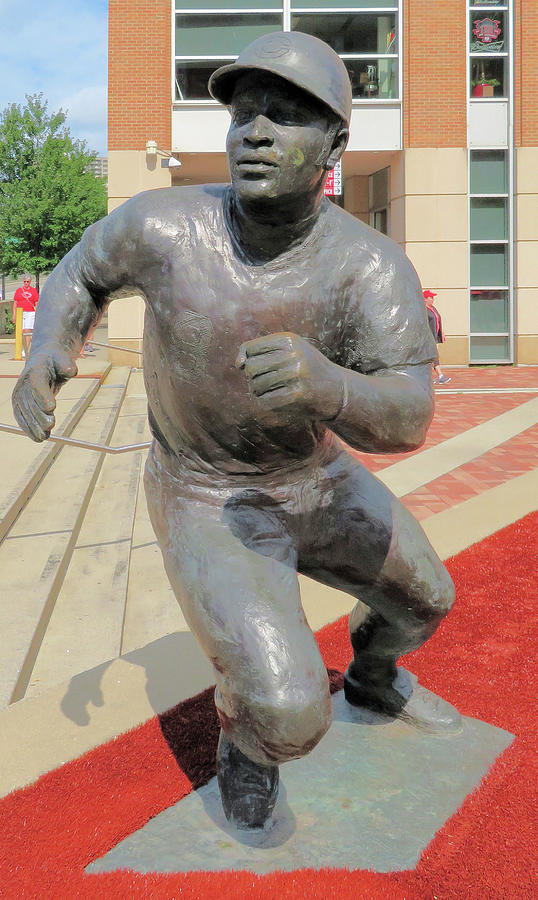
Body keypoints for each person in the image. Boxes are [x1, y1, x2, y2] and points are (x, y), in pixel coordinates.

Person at [12, 32, 460, 831]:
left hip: (317, 480)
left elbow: (411, 413)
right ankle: (248, 745)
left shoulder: (369, 266)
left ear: (335, 145)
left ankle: (372, 677)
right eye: (246, 112)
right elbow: (79, 271)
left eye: (286, 116)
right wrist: (49, 348)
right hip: (206, 495)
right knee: (289, 711)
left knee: (425, 602)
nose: (256, 130)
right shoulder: (166, 227)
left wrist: (333, 388)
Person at [424, 289, 451, 384]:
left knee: (431, 358)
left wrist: (441, 333)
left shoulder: (433, 308)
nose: (432, 299)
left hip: (435, 337)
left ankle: (430, 378)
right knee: (434, 357)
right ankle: (440, 376)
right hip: (429, 338)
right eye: (430, 297)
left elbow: (437, 321)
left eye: (432, 297)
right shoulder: (424, 311)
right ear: (425, 299)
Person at [12, 276, 39, 358]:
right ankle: (22, 348)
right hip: (20, 312)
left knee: (27, 331)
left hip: (30, 312)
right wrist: (14, 315)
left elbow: (36, 303)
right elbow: (15, 303)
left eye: (27, 281)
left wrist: (37, 314)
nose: (26, 283)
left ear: (30, 282)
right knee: (21, 331)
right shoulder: (19, 290)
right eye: (25, 281)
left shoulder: (33, 291)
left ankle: (26, 349)